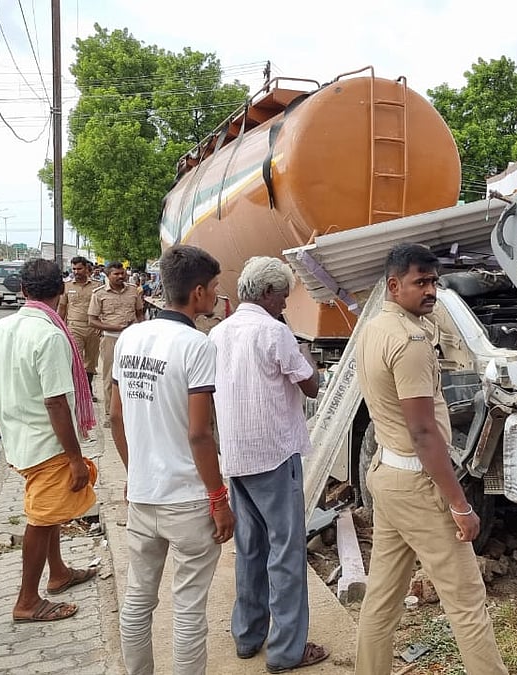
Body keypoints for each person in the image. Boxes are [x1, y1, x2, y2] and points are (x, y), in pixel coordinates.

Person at [354, 244, 507, 675]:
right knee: (466, 603)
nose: (431, 291)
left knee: (382, 598)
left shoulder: (375, 328)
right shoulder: (410, 341)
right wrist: (460, 504)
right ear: (393, 284)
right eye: (421, 282)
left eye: (434, 282)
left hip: (386, 474)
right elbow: (423, 434)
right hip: (418, 485)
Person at [111, 245, 234, 674]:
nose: (217, 297)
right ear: (198, 292)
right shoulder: (196, 346)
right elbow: (200, 434)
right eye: (215, 288)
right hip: (188, 501)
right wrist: (219, 498)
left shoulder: (130, 337)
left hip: (143, 497)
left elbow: (115, 415)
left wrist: (134, 472)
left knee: (138, 599)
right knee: (188, 609)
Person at [208, 257, 325, 671]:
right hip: (274, 454)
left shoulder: (218, 333)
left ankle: (248, 635)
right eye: (284, 298)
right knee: (286, 555)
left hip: (237, 456)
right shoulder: (275, 332)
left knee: (250, 550)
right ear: (270, 293)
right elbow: (309, 386)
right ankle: (286, 650)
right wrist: (312, 364)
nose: (286, 306)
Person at [0, 258, 98, 623]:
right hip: (47, 443)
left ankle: (59, 572)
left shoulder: (0, 329)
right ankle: (27, 601)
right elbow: (55, 401)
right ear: (61, 290)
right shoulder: (50, 335)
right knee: (41, 519)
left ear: (22, 290)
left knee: (48, 515)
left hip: (18, 438)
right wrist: (75, 458)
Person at [89, 262, 143, 423]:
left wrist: (138, 327)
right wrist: (112, 327)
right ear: (107, 275)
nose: (120, 276)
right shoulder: (98, 294)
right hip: (111, 339)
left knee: (133, 376)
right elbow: (92, 320)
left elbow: (140, 314)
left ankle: (131, 413)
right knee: (110, 377)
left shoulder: (133, 291)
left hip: (132, 340)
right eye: (116, 274)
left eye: (122, 273)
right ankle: (110, 415)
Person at [57, 257, 100, 401]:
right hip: (74, 327)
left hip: (93, 328)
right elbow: (62, 307)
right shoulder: (67, 286)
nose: (76, 272)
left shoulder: (98, 286)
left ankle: (88, 389)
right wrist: (58, 325)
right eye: (74, 269)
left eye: (79, 269)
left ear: (87, 269)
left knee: (91, 361)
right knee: (76, 359)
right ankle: (76, 390)